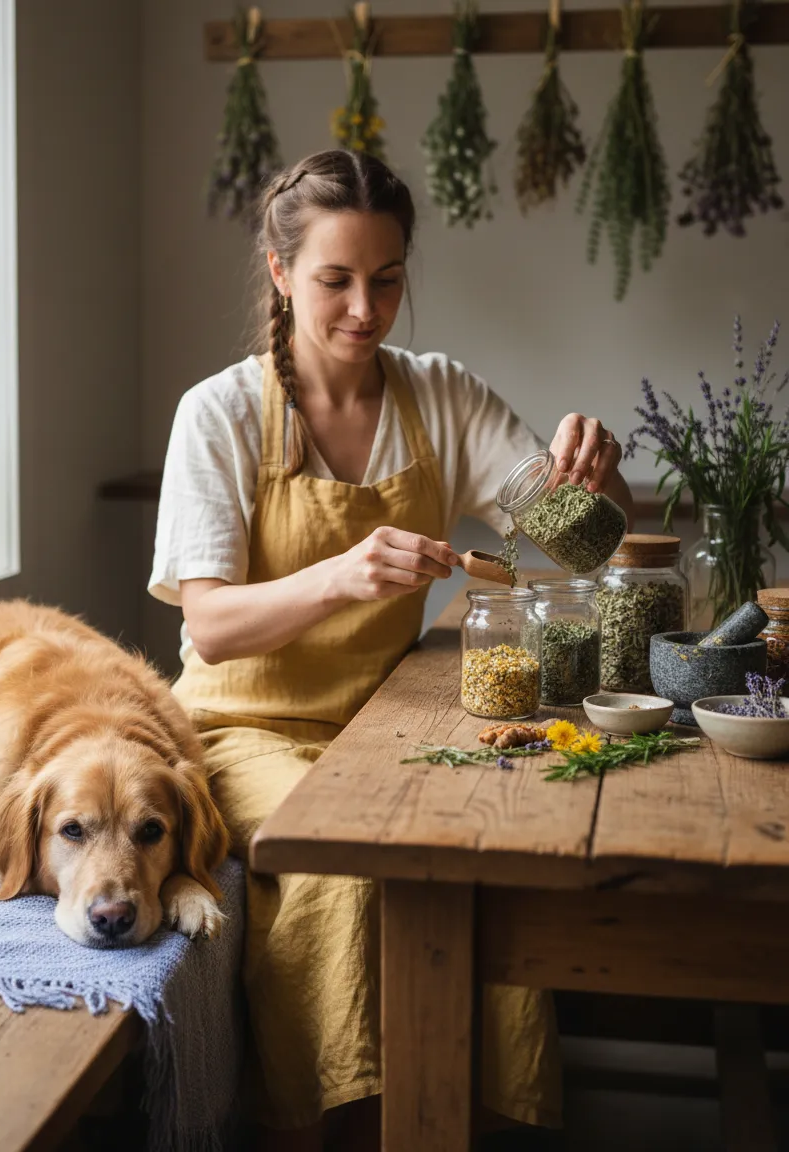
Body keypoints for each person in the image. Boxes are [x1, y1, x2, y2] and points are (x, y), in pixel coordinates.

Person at [149, 148, 634, 1151]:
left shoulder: (438, 397)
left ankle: (468, 1124)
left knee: (479, 857)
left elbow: (579, 539)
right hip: (241, 731)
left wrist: (600, 482)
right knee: (347, 867)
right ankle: (325, 1127)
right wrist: (339, 575)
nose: (364, 310)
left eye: (386, 279)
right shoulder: (222, 413)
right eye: (334, 280)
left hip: (383, 722)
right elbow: (207, 624)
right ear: (281, 275)